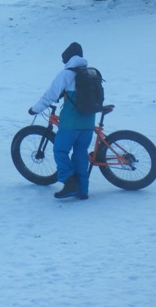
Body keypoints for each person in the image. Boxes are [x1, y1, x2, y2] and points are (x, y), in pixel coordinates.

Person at [29, 42, 96, 200]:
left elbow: (50, 95)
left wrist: (35, 109)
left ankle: (69, 182)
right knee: (80, 153)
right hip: (88, 122)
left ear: (67, 58)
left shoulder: (66, 74)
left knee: (60, 150)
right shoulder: (90, 73)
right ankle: (83, 190)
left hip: (71, 123)